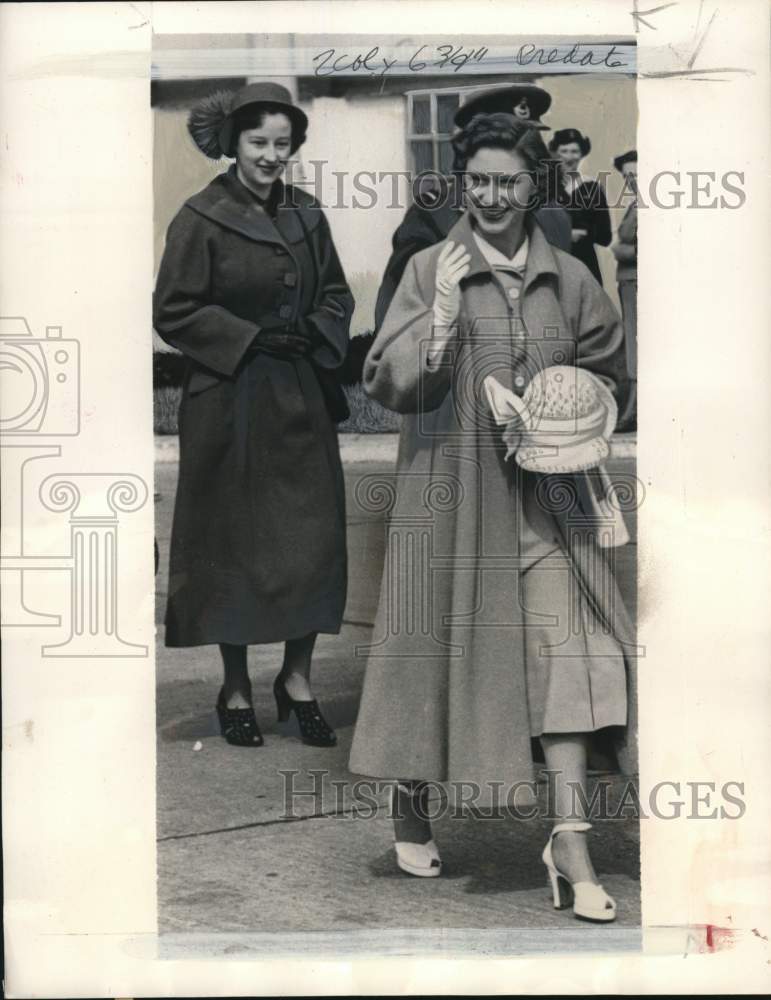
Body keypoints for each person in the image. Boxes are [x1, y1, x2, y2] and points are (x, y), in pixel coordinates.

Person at [349, 113, 637, 923]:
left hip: (549, 503)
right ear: (459, 182)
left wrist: (576, 400)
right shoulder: (427, 268)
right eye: (476, 179)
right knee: (430, 657)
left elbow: (608, 369)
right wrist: (441, 324)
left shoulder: (569, 274)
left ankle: (570, 841)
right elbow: (389, 383)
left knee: (574, 660)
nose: (491, 196)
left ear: (534, 185)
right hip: (449, 496)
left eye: (507, 180)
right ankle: (411, 802)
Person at [154, 82, 354, 748]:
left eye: (281, 144)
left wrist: (313, 333)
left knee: (308, 541)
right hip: (228, 398)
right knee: (231, 543)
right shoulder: (201, 216)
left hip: (298, 393)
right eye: (257, 142)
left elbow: (334, 294)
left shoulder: (306, 214)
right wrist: (246, 337)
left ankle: (296, 680)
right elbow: (174, 308)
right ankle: (235, 685)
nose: (270, 156)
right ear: (234, 143)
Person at [373, 83, 571, 332]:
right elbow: (396, 313)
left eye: (526, 136)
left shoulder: (554, 213)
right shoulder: (434, 211)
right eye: (502, 137)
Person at [549, 128, 612, 285]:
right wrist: (565, 235)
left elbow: (605, 237)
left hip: (584, 264)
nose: (569, 157)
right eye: (564, 151)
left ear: (582, 154)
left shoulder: (593, 188)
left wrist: (584, 233)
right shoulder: (546, 188)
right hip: (552, 263)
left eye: (574, 151)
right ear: (556, 154)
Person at [611, 150, 638, 432]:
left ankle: (634, 409)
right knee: (632, 340)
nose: (632, 180)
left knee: (636, 342)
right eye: (628, 175)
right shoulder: (635, 204)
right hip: (629, 280)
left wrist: (622, 251)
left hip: (639, 279)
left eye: (637, 173)